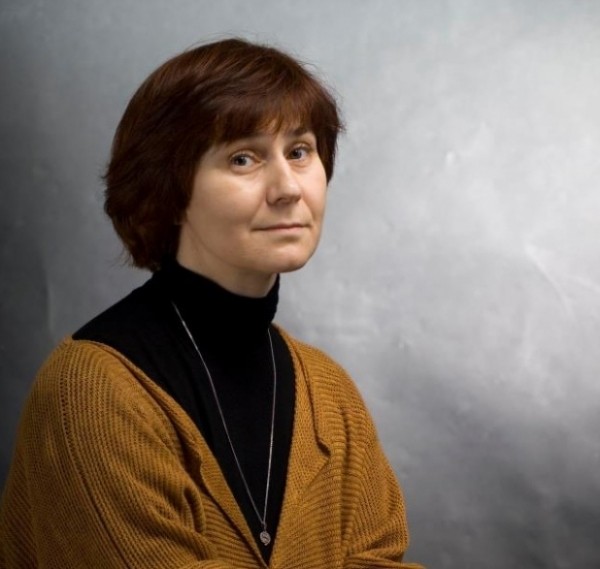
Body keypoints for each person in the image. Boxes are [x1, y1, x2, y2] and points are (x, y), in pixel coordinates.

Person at [0, 38, 423, 568]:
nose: (288, 188)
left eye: (299, 151)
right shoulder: (90, 390)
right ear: (169, 191)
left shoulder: (330, 393)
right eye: (243, 158)